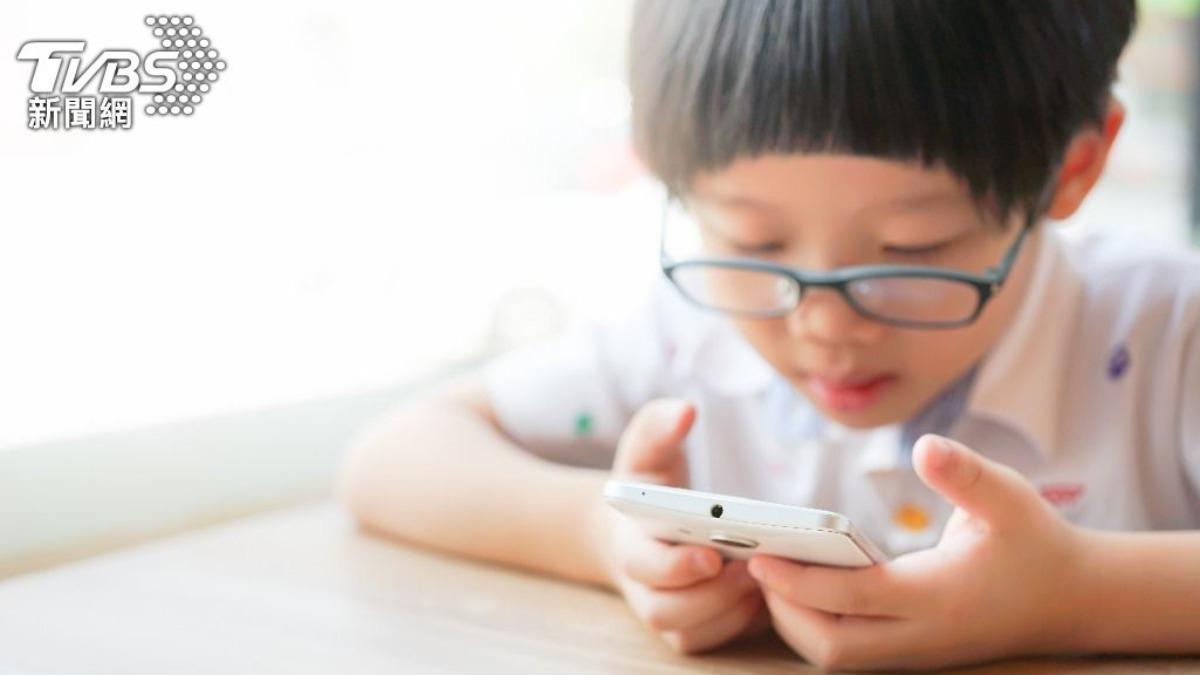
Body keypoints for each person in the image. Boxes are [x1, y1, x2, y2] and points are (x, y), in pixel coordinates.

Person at [339, 1, 1200, 669]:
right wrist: (608, 540)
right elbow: (391, 458)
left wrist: (1076, 594)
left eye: (911, 251)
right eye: (753, 243)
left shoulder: (1167, 336)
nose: (822, 324)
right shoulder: (688, 334)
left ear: (1074, 169)